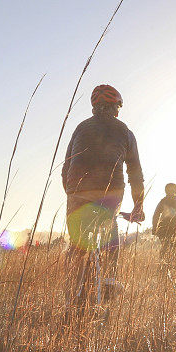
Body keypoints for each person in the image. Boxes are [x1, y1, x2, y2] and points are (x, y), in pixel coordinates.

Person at [61, 84, 145, 301]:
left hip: (77, 192)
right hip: (110, 194)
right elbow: (135, 173)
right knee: (111, 239)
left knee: (77, 245)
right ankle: (108, 281)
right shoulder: (125, 132)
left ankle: (70, 291)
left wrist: (72, 194)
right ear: (116, 108)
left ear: (94, 107)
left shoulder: (80, 128)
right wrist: (138, 206)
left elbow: (65, 168)